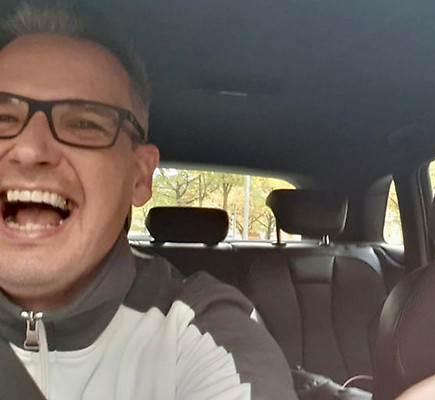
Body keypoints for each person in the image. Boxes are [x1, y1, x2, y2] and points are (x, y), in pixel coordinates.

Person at [0, 3, 296, 399]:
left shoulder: (202, 331)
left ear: (139, 176)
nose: (29, 149)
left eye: (84, 124)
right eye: (2, 119)